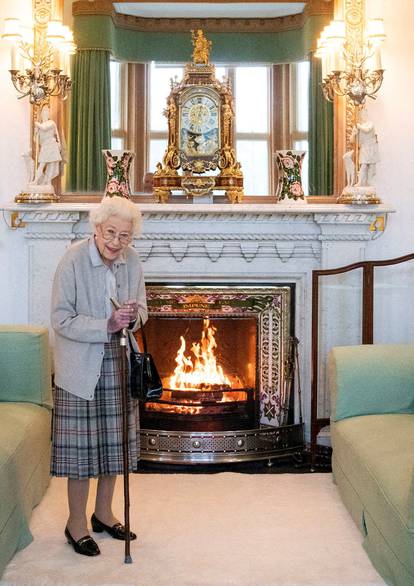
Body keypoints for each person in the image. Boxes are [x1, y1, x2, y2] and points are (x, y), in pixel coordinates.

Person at [50, 196, 147, 557]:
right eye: (111, 233)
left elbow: (143, 311)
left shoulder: (131, 260)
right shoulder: (73, 259)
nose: (116, 242)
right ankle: (76, 523)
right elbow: (60, 319)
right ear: (96, 228)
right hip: (80, 366)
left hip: (119, 360)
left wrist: (132, 317)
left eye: (124, 235)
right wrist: (105, 324)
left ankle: (103, 514)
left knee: (113, 445)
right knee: (82, 452)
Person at [32, 106, 62, 186]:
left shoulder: (51, 122)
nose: (45, 114)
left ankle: (48, 181)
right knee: (41, 164)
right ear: (42, 114)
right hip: (45, 147)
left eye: (47, 112)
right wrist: (35, 132)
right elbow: (35, 140)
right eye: (44, 112)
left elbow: (45, 128)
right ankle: (35, 181)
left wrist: (37, 124)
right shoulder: (40, 125)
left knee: (52, 165)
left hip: (52, 146)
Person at [351, 114, 380, 187]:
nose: (363, 116)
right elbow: (352, 141)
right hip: (364, 147)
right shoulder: (359, 126)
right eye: (361, 115)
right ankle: (360, 182)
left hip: (371, 147)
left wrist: (359, 126)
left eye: (364, 114)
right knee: (363, 165)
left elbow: (367, 130)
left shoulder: (370, 124)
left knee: (371, 166)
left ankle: (369, 181)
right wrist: (354, 134)